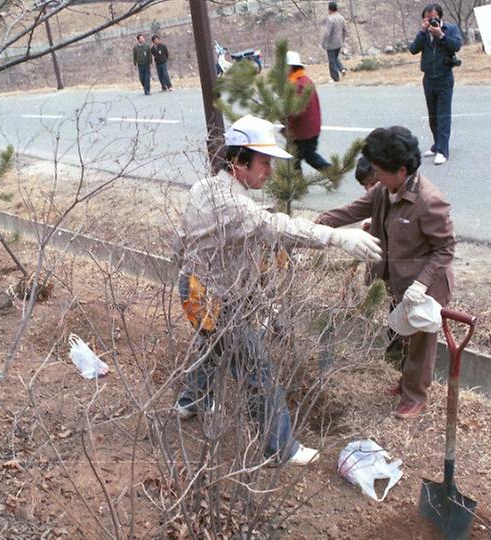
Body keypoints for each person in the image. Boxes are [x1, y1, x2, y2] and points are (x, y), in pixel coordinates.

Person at [174, 114, 382, 466]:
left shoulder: (205, 187)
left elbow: (186, 241)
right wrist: (338, 236)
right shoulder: (233, 205)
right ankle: (281, 449)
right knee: (258, 371)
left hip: (195, 288)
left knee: (213, 345)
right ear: (239, 162)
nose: (269, 171)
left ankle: (190, 401)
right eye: (264, 162)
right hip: (212, 295)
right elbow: (275, 226)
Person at [315, 126, 455, 419]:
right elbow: (350, 211)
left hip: (424, 285)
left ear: (401, 170)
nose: (374, 176)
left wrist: (421, 285)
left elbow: (444, 249)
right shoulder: (384, 190)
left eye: (379, 170)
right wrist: (318, 226)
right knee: (402, 334)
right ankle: (406, 381)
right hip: (396, 279)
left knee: (420, 342)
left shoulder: (429, 202)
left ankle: (415, 396)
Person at [409, 3, 463, 166]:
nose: (432, 21)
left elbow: (457, 46)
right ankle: (436, 144)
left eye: (434, 18)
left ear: (440, 17)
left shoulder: (450, 29)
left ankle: (443, 150)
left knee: (443, 115)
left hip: (444, 77)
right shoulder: (424, 34)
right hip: (428, 78)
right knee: (432, 115)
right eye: (428, 18)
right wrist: (422, 31)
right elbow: (413, 49)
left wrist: (441, 35)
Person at [285, 51, 331, 174]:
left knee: (294, 159)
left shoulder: (296, 85)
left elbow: (296, 111)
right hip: (312, 128)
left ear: (290, 68)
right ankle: (331, 173)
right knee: (308, 155)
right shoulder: (305, 80)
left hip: (302, 131)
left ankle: (298, 187)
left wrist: (286, 124)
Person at [321, 2, 348, 82]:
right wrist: (342, 40)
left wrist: (323, 43)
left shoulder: (330, 19)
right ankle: (342, 69)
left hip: (331, 43)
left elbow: (327, 33)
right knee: (335, 57)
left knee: (331, 61)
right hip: (339, 42)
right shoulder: (341, 18)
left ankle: (335, 78)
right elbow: (345, 30)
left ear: (330, 9)